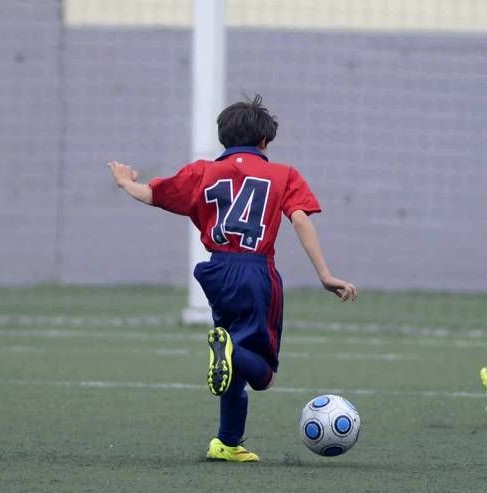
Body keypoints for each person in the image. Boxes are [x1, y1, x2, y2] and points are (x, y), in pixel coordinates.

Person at [109, 95, 356, 462]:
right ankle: (231, 353)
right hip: (256, 272)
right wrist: (325, 274)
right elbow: (301, 219)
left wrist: (125, 181)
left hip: (217, 271)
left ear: (223, 139)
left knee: (232, 369)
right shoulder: (284, 174)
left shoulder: (202, 172)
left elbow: (152, 194)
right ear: (265, 142)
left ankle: (227, 442)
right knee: (262, 374)